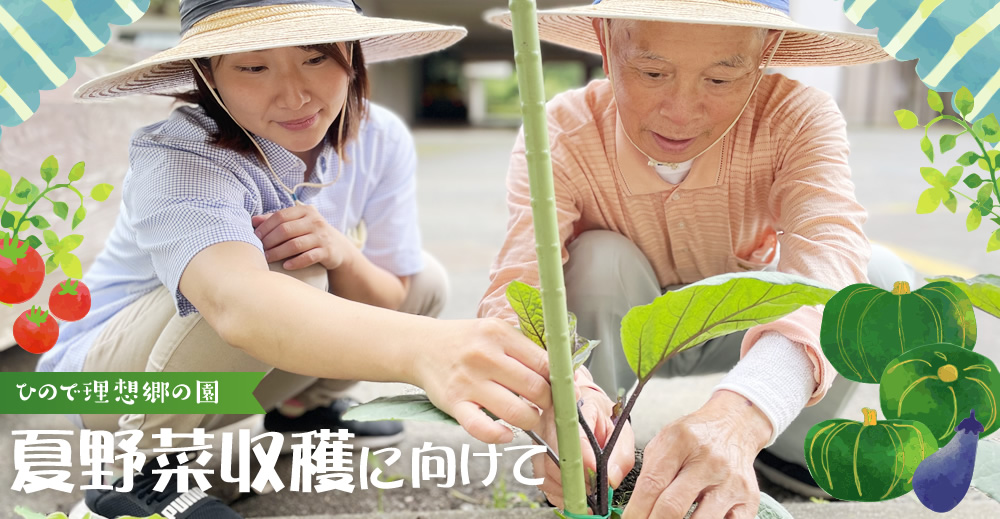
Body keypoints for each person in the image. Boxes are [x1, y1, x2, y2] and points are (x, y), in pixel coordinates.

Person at [37, 1, 554, 517]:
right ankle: (142, 473)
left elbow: (398, 296)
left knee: (424, 278)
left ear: (351, 54)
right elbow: (236, 301)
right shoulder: (179, 154)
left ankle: (303, 410)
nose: (294, 94)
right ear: (207, 74)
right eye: (253, 67)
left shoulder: (380, 137)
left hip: (221, 380)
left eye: (315, 58)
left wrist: (344, 253)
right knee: (290, 267)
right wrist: (428, 351)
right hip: (107, 390)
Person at [480, 0, 914, 517]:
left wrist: (744, 413)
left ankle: (783, 453)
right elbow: (517, 292)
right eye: (652, 72)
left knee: (883, 283)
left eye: (722, 79)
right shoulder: (563, 131)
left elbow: (831, 254)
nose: (681, 113)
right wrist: (561, 394)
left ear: (765, 53)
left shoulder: (797, 117)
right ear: (605, 41)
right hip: (618, 324)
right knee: (597, 260)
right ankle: (596, 448)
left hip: (743, 322)